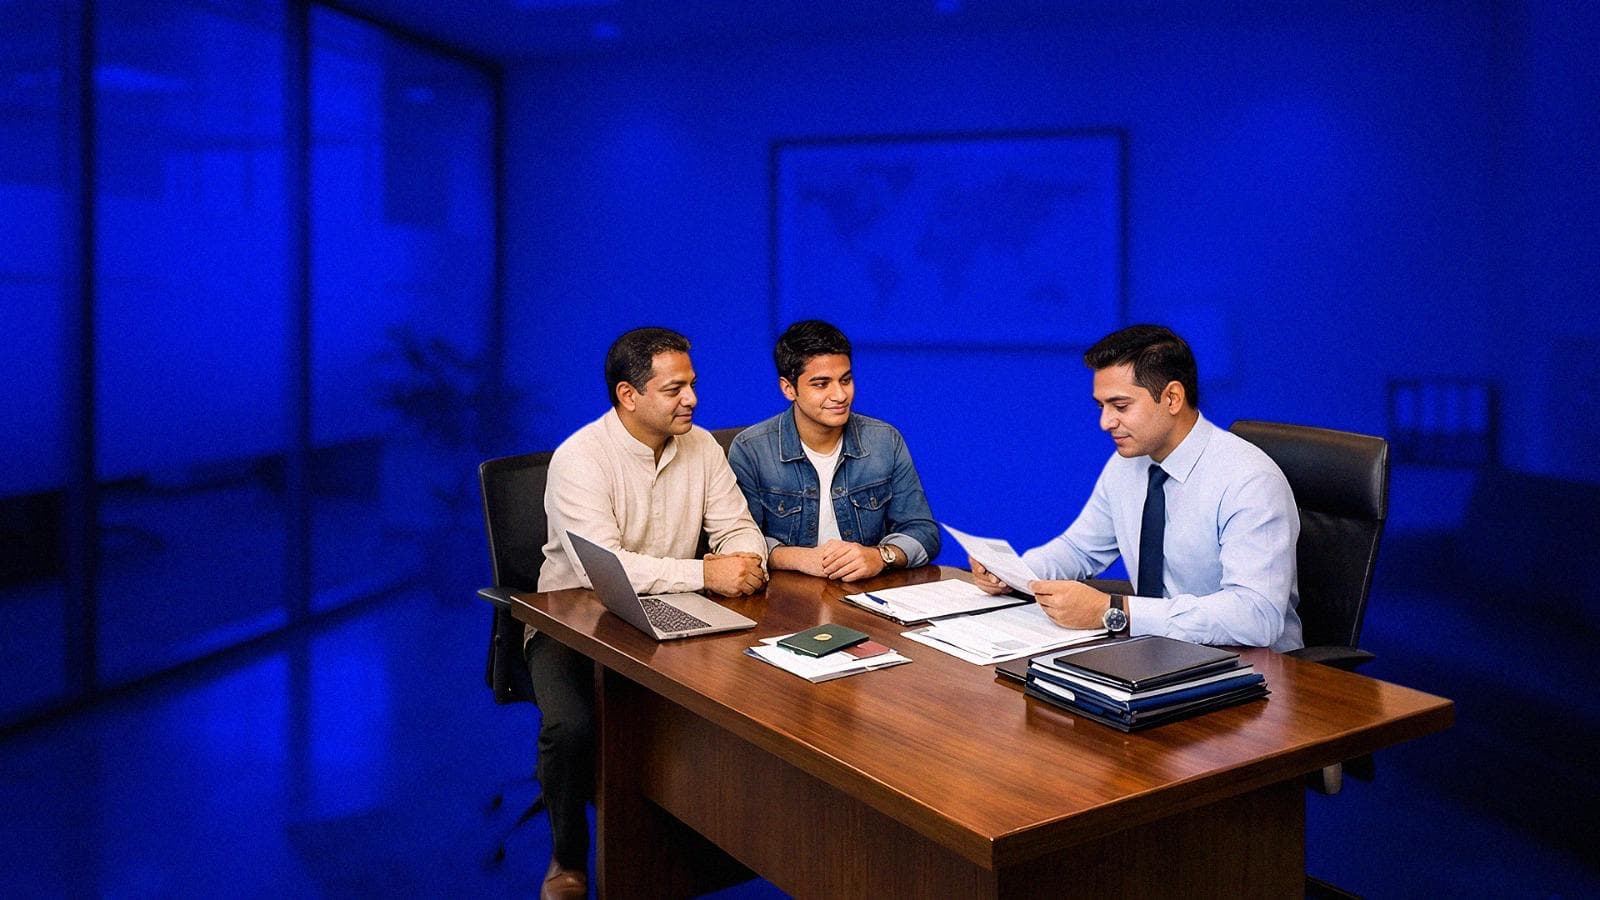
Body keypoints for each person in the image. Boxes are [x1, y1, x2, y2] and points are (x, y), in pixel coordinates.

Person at [529, 327, 767, 900]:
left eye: (692, 384)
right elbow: (604, 571)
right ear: (627, 395)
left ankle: (708, 846)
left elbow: (739, 528)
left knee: (758, 695)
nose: (692, 399)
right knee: (571, 727)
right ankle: (567, 857)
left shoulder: (704, 446)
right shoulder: (580, 459)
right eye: (674, 388)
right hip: (576, 619)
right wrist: (708, 573)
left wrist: (747, 557)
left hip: (679, 613)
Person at [971, 324, 1303, 652]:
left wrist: (1115, 611)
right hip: (1157, 656)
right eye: (1101, 406)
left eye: (1120, 406)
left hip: (1254, 672)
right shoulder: (1126, 464)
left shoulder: (1248, 480)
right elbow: (1079, 550)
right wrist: (1014, 575)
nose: (1105, 423)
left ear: (1172, 397)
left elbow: (1257, 617)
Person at [728, 319, 939, 581]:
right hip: (785, 599)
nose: (840, 395)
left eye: (846, 380)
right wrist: (802, 558)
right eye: (821, 384)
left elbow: (924, 531)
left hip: (866, 595)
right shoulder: (751, 449)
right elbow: (738, 542)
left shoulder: (885, 440)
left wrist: (881, 555)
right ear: (788, 388)